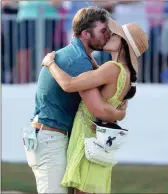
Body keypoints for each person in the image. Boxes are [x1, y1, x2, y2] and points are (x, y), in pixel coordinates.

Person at [23, 7, 126, 194]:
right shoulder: (77, 60)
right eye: (103, 31)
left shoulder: (80, 57)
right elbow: (98, 109)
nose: (108, 35)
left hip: (51, 137)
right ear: (86, 34)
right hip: (51, 139)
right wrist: (120, 113)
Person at [41, 18, 149, 193]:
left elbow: (68, 84)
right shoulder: (125, 74)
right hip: (100, 144)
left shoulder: (112, 68)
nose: (109, 35)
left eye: (115, 34)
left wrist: (50, 63)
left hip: (87, 139)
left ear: (123, 44)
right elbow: (105, 90)